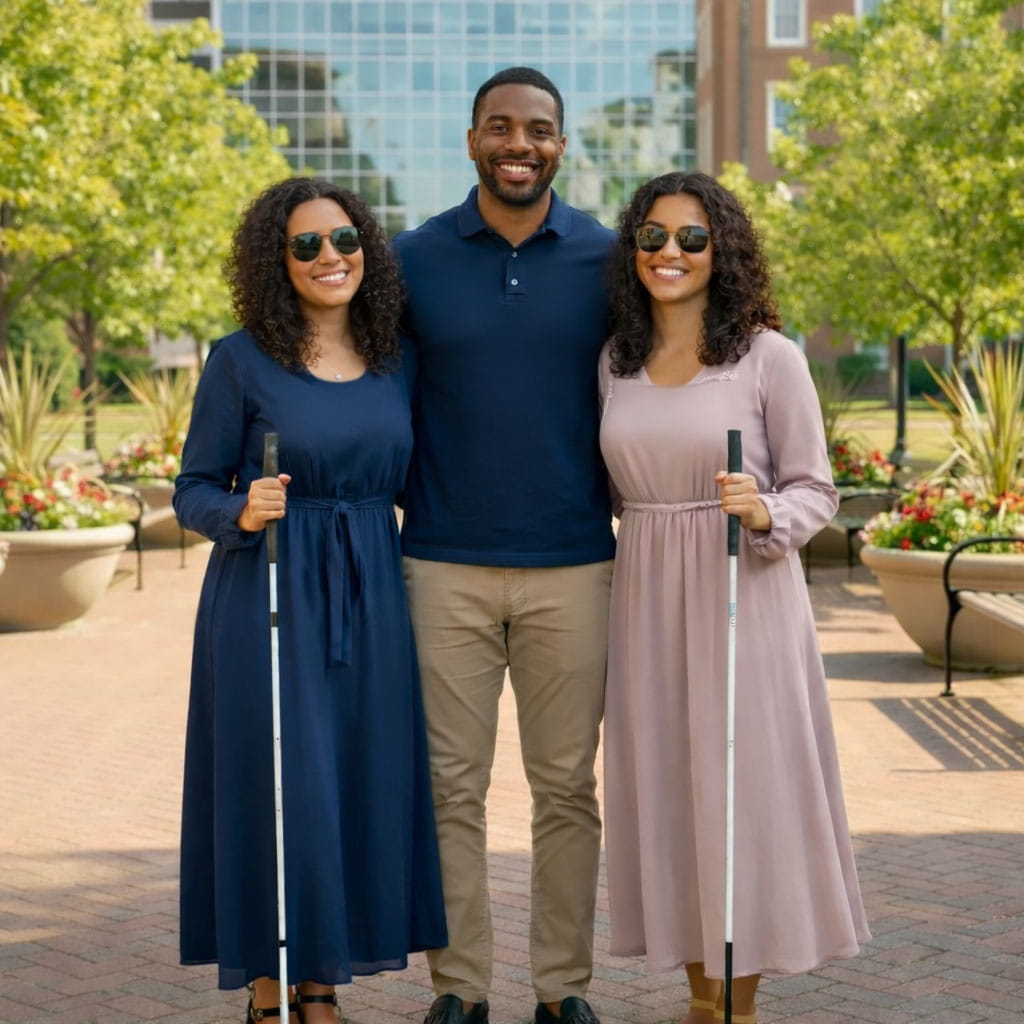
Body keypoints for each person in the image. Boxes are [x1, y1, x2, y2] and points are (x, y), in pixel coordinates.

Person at [598, 171, 870, 1024]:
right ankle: (697, 999)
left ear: (724, 251)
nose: (669, 253)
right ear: (632, 250)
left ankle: (737, 1002)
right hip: (646, 591)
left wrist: (766, 511)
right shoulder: (614, 360)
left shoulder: (767, 356)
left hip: (740, 593)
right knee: (668, 783)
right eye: (652, 236)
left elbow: (817, 488)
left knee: (739, 788)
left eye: (690, 237)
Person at [174, 177, 447, 1024]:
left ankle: (321, 981)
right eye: (305, 245)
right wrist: (240, 510)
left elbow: (423, 474)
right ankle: (267, 987)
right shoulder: (240, 357)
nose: (330, 257)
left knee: (349, 781)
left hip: (371, 597)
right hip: (269, 592)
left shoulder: (397, 358)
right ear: (276, 259)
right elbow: (190, 487)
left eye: (344, 240)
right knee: (275, 780)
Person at [391, 67, 616, 1024]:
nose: (519, 143)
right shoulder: (410, 259)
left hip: (576, 562)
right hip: (441, 561)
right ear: (473, 137)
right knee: (450, 789)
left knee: (567, 788)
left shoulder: (611, 260)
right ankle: (460, 988)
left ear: (561, 144)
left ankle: (562, 988)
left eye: (539, 129)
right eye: (500, 127)